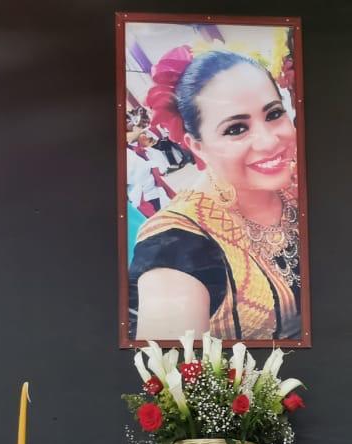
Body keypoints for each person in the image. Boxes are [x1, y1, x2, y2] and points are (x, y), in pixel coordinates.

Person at [129, 47, 301, 341]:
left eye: (274, 114)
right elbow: (169, 378)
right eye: (236, 129)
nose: (269, 140)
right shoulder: (176, 244)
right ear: (196, 146)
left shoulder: (298, 184)